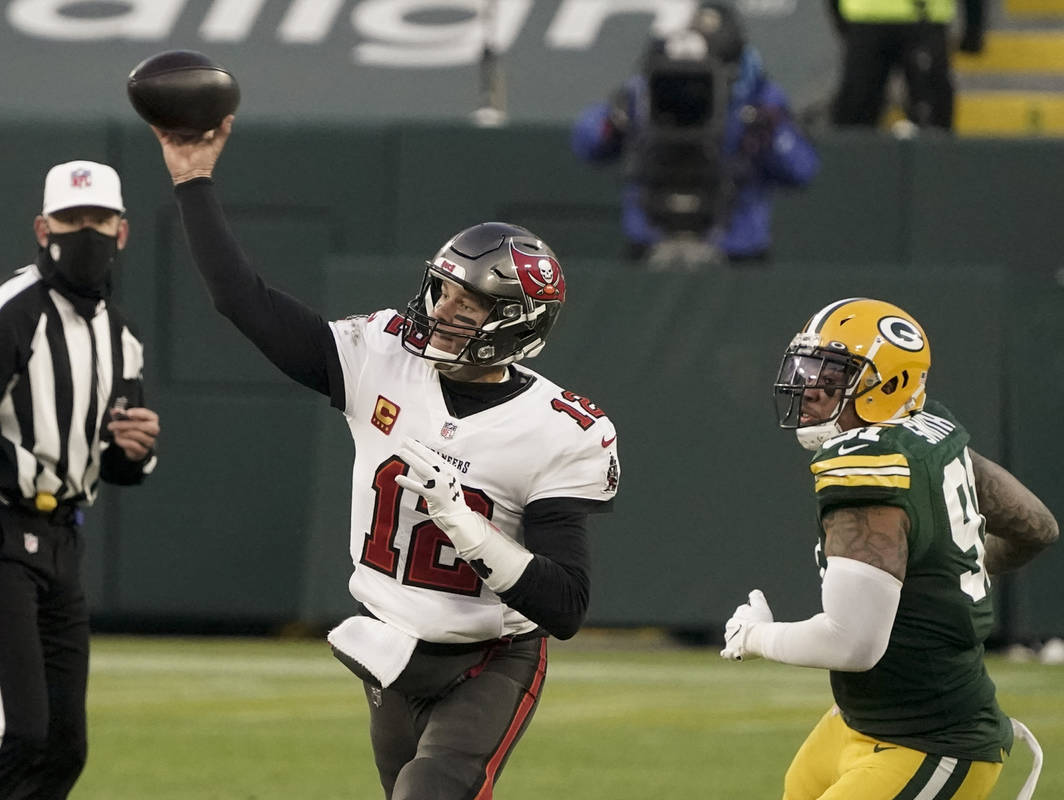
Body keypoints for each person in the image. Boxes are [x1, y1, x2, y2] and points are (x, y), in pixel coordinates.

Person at [150, 116, 619, 800]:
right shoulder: (382, 357)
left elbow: (567, 606)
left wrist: (465, 526)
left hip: (489, 660)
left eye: (470, 301)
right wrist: (193, 181)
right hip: (393, 651)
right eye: (444, 287)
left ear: (516, 323)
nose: (444, 306)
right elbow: (240, 300)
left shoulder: (558, 429)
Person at [0, 160, 160, 800]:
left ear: (122, 230)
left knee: (62, 747)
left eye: (99, 219)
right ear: (44, 228)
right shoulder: (7, 311)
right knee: (13, 730)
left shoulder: (119, 335)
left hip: (61, 539)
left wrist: (136, 448)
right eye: (72, 220)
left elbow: (115, 457)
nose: (87, 232)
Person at [720, 297, 1057, 798]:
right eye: (807, 368)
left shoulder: (868, 471)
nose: (808, 388)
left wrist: (757, 637)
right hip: (863, 719)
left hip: (932, 740)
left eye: (831, 375)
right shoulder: (929, 437)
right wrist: (953, 569)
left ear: (889, 385)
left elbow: (852, 644)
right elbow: (1036, 526)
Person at [571, 0, 819, 267]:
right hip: (649, 240)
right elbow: (587, 142)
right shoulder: (647, 89)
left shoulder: (760, 97)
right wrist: (615, 120)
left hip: (736, 247)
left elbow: (802, 169)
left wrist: (770, 133)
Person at [828, 0, 985, 131]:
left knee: (856, 114)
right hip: (920, 20)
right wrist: (974, 26)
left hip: (874, 19)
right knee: (933, 115)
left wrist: (840, 19)